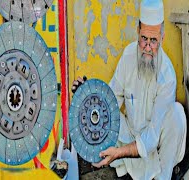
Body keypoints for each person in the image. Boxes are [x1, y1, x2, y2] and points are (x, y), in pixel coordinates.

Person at [72, 0, 186, 179]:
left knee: (177, 115)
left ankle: (163, 174)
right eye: (144, 39)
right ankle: (122, 162)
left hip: (155, 147)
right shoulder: (128, 56)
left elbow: (152, 137)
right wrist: (86, 95)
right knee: (108, 118)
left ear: (162, 39)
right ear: (138, 32)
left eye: (154, 41)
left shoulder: (167, 76)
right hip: (130, 138)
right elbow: (110, 101)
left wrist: (119, 152)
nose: (148, 47)